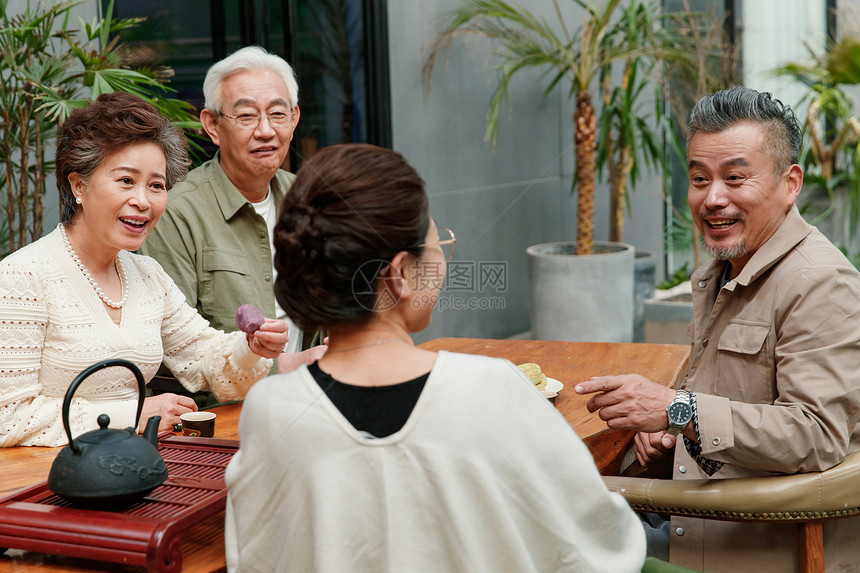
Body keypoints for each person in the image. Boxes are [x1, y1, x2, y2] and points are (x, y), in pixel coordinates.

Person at [223, 144, 646, 573]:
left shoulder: (271, 410)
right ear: (401, 274)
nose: (442, 259)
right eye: (437, 243)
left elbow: (253, 558)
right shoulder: (493, 388)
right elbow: (597, 542)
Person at [575, 85, 860, 571]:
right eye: (699, 178)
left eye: (735, 178)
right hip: (687, 510)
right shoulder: (720, 272)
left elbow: (815, 435)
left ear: (791, 183)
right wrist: (669, 436)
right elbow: (719, 406)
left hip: (740, 546)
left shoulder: (820, 283)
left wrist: (678, 410)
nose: (712, 199)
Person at [0, 92, 289, 448]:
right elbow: (8, 418)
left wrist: (252, 347)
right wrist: (133, 415)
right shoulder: (21, 278)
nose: (143, 200)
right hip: (41, 486)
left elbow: (202, 356)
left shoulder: (146, 274)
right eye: (125, 181)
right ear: (79, 185)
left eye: (156, 185)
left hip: (129, 468)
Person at [140, 45, 325, 404]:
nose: (266, 130)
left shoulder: (309, 199)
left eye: (277, 113)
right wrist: (285, 366)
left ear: (295, 118)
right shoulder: (176, 212)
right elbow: (167, 348)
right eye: (246, 116)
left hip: (310, 402)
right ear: (212, 125)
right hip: (222, 420)